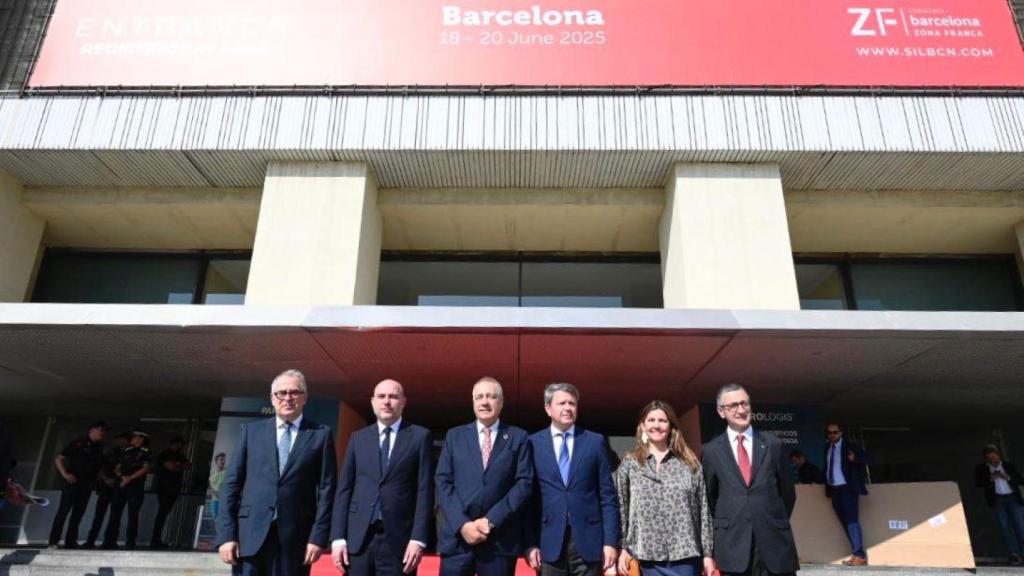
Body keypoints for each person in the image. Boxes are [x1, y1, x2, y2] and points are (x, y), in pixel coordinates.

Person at [216, 369, 337, 576]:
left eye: (295, 392)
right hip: (249, 537)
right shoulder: (251, 432)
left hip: (296, 539)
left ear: (305, 397)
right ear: (273, 398)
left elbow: (327, 490)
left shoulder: (320, 435)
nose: (288, 398)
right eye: (282, 393)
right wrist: (227, 535)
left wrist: (318, 537)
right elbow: (231, 485)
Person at [331, 379, 434, 576]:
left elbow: (425, 491)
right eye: (381, 396)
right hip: (358, 540)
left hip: (399, 542)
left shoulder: (420, 437)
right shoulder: (357, 438)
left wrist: (418, 539)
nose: (387, 401)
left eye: (393, 397)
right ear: (373, 402)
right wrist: (338, 537)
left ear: (403, 402)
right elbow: (344, 490)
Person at [435, 377, 533, 576]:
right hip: (457, 541)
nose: (484, 402)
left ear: (501, 402)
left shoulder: (518, 437)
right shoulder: (455, 436)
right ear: (473, 402)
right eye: (479, 397)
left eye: (491, 396)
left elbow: (524, 484)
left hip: (499, 541)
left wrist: (490, 521)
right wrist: (463, 525)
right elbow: (442, 481)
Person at [702, 383, 798, 576]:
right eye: (733, 406)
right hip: (733, 546)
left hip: (774, 545)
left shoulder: (773, 445)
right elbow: (710, 498)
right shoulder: (711, 451)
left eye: (744, 403)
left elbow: (788, 493)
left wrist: (768, 517)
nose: (741, 410)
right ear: (722, 412)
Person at [526, 382, 619, 576]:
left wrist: (610, 542)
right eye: (562, 403)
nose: (568, 408)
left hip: (588, 543)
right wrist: (530, 544)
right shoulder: (532, 444)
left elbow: (607, 497)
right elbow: (528, 499)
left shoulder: (594, 442)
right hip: (549, 543)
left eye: (572, 403)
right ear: (548, 409)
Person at [615, 401, 713, 576]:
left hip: (685, 556)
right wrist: (623, 547)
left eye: (662, 420)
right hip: (646, 557)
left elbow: (703, 511)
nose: (657, 425)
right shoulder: (630, 463)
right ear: (643, 426)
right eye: (651, 420)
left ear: (671, 426)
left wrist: (707, 554)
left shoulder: (689, 464)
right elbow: (622, 508)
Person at [49, 420, 109, 549]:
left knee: (78, 514)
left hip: (86, 485)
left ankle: (70, 542)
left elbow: (99, 469)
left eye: (104, 431)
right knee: (63, 512)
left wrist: (104, 480)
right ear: (92, 430)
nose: (103, 433)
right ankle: (53, 542)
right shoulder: (80, 442)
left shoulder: (100, 447)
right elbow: (59, 458)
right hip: (72, 483)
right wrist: (65, 474)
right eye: (101, 430)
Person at [824, 423, 869, 566]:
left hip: (847, 489)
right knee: (845, 522)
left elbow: (868, 458)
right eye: (829, 433)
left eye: (835, 432)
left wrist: (855, 458)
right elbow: (827, 467)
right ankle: (856, 553)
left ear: (841, 433)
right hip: (834, 490)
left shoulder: (850, 446)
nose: (832, 435)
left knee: (852, 522)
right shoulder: (827, 447)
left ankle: (859, 555)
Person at [102, 430, 152, 550]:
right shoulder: (127, 451)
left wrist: (130, 478)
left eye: (136, 437)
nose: (133, 438)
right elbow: (117, 468)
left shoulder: (146, 452)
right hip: (122, 485)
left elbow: (145, 468)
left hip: (135, 486)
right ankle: (109, 541)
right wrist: (121, 477)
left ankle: (130, 542)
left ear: (141, 439)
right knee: (115, 513)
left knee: (133, 514)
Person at [975, 445, 1024, 565]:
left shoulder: (1008, 465)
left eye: (994, 457)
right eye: (989, 458)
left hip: (1012, 497)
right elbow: (978, 483)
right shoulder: (982, 468)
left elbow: (1020, 480)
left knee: (1020, 525)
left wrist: (1006, 476)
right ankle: (1014, 554)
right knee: (1005, 526)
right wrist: (991, 478)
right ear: (985, 459)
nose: (992, 460)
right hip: (998, 499)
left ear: (998, 455)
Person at [84, 432, 130, 548]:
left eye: (123, 439)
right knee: (99, 515)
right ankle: (90, 541)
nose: (121, 442)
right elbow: (101, 468)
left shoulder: (130, 454)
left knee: (115, 516)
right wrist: (106, 479)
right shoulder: (110, 452)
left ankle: (110, 542)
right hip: (106, 487)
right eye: (119, 439)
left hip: (119, 488)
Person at [151, 435, 192, 548]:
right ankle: (155, 539)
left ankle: (158, 539)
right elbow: (171, 467)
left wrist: (178, 465)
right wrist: (178, 466)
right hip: (164, 487)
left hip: (175, 487)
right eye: (180, 444)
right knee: (162, 513)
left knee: (165, 512)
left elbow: (188, 465)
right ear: (174, 444)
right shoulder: (165, 454)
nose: (181, 446)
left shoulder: (180, 455)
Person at [209, 452, 227, 518]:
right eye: (221, 459)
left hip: (225, 500)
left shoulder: (227, 471)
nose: (223, 461)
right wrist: (216, 493)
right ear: (216, 461)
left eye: (224, 460)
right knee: (215, 518)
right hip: (215, 501)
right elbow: (211, 488)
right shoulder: (212, 475)